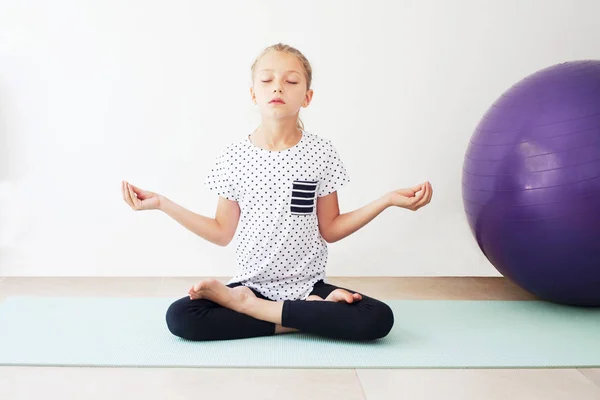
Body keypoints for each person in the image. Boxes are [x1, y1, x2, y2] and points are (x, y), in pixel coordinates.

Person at [121, 43, 433, 341]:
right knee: (181, 316)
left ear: (307, 97)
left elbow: (332, 228)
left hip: (308, 285)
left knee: (377, 318)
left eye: (291, 80)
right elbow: (221, 232)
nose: (278, 87)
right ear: (253, 94)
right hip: (250, 284)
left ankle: (253, 309)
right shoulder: (233, 157)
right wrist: (162, 203)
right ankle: (307, 317)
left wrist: (387, 200)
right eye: (267, 79)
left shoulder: (321, 153)